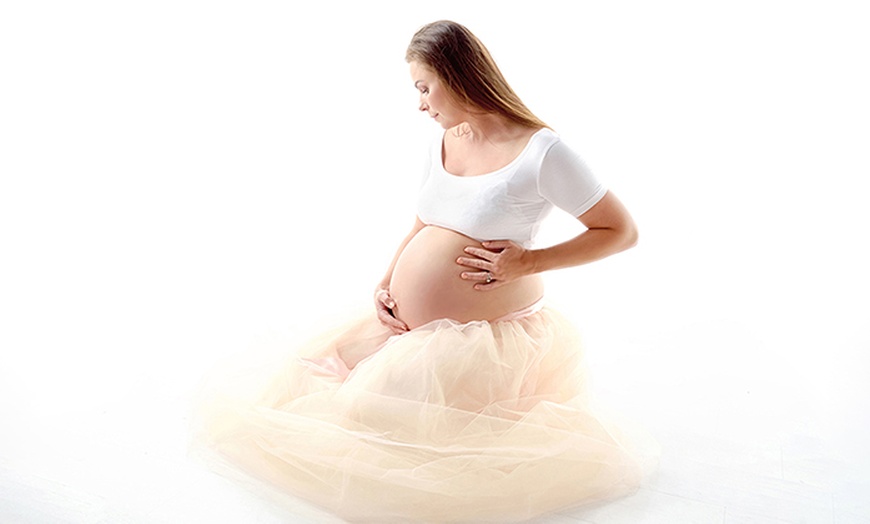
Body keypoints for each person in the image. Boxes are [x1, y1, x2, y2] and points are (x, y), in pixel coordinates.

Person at [193, 20, 655, 523]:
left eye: (423, 86)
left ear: (457, 77)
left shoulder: (541, 151)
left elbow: (620, 230)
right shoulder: (445, 140)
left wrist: (529, 261)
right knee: (314, 391)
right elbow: (424, 220)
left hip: (478, 340)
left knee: (376, 426)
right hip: (410, 327)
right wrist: (388, 281)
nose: (419, 103)